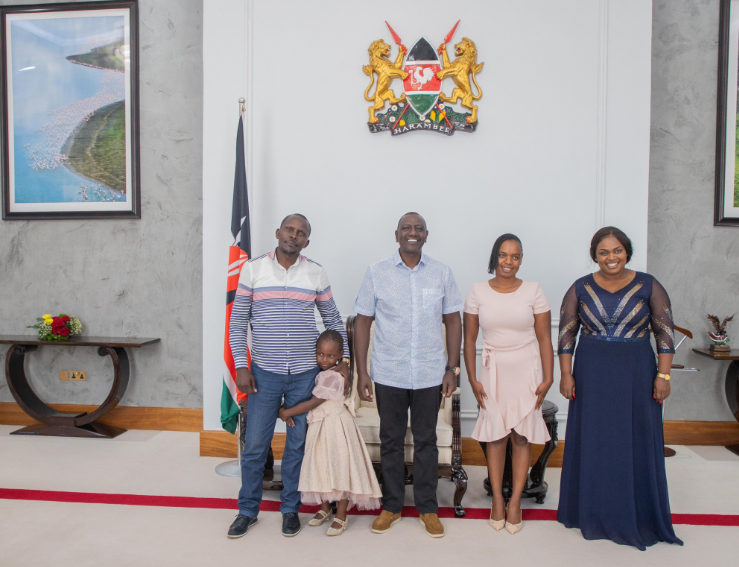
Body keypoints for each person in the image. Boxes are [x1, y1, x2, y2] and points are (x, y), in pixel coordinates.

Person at [556, 226, 683, 550]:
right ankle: (591, 511)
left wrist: (663, 377)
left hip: (637, 373)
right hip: (592, 373)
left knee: (636, 437)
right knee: (595, 439)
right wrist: (566, 375)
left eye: (616, 250)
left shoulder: (649, 285)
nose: (610, 257)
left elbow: (664, 334)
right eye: (603, 252)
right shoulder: (579, 288)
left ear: (627, 251)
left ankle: (636, 512)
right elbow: (567, 335)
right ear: (594, 256)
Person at [227, 214, 350, 539]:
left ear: (306, 241)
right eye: (289, 230)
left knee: (296, 448)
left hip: (304, 377)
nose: (293, 236)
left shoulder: (315, 272)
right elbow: (238, 323)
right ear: (278, 233)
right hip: (262, 375)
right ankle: (247, 511)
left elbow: (333, 319)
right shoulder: (253, 269)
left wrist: (345, 359)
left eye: (301, 233)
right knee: (255, 446)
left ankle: (290, 510)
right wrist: (241, 365)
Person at [353, 212, 463, 538]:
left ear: (426, 236)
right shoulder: (377, 273)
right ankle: (392, 506)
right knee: (391, 441)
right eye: (406, 228)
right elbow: (363, 321)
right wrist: (362, 373)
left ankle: (428, 508)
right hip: (389, 372)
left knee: (426, 441)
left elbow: (454, 321)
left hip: (430, 372)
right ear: (396, 234)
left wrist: (452, 369)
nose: (411, 233)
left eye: (418, 229)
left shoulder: (441, 273)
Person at [463, 234, 554, 535]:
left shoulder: (533, 291)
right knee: (497, 436)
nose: (509, 261)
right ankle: (498, 501)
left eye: (515, 256)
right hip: (494, 370)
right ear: (495, 257)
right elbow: (470, 339)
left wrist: (548, 377)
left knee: (522, 437)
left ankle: (515, 501)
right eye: (503, 255)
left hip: (527, 369)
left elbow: (544, 339)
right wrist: (473, 378)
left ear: (521, 259)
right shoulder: (477, 291)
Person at [278, 330, 382, 536]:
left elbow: (313, 402)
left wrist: (285, 412)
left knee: (340, 467)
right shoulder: (333, 370)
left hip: (336, 427)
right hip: (320, 427)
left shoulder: (335, 376)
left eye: (330, 356)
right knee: (321, 465)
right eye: (320, 354)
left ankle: (341, 515)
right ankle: (325, 508)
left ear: (341, 355)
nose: (324, 359)